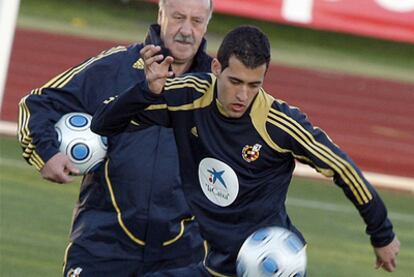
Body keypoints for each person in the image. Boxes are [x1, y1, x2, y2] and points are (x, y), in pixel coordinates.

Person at [91, 25, 401, 276]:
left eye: (254, 84)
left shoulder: (279, 123)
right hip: (217, 265)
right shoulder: (188, 96)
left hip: (268, 265)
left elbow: (342, 168)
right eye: (235, 81)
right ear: (216, 68)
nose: (243, 95)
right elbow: (104, 123)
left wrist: (382, 234)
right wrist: (146, 90)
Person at [17, 0, 214, 275]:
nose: (186, 30)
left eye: (196, 21)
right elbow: (37, 103)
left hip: (183, 256)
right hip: (102, 245)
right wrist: (46, 153)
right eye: (179, 17)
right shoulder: (115, 66)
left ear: (207, 25)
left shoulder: (217, 87)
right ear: (161, 14)